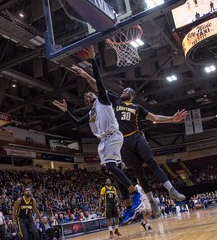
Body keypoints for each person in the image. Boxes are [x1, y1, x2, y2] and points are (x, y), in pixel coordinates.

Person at [72, 60, 187, 220]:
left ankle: (171, 189)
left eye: (127, 90)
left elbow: (154, 117)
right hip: (122, 141)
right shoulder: (115, 101)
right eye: (123, 89)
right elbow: (97, 85)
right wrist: (85, 75)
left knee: (151, 162)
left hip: (136, 135)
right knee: (139, 173)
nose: (123, 90)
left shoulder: (137, 107)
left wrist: (171, 119)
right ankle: (152, 201)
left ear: (132, 96)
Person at [52, 46, 142, 225]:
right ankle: (129, 207)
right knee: (116, 173)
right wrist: (67, 111)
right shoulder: (92, 111)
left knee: (111, 166)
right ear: (87, 101)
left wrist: (93, 60)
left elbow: (98, 81)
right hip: (103, 141)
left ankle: (135, 193)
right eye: (86, 95)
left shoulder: (103, 99)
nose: (88, 94)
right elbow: (77, 123)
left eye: (90, 92)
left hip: (113, 135)